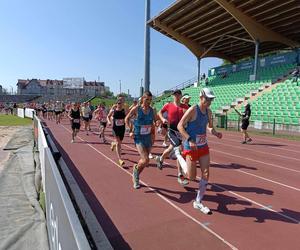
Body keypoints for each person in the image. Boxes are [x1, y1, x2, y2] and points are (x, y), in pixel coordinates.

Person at [177, 87, 222, 214]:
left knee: (206, 173)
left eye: (211, 99)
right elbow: (180, 125)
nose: (209, 102)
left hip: (203, 146)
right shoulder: (192, 110)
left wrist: (216, 133)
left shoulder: (209, 112)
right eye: (208, 99)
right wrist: (189, 140)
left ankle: (198, 201)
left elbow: (210, 127)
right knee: (191, 177)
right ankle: (178, 156)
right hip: (190, 146)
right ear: (201, 97)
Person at [155, 89, 189, 185]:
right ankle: (180, 175)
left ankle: (160, 159)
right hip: (172, 131)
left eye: (178, 94)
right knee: (179, 150)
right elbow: (159, 112)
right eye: (175, 95)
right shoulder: (168, 105)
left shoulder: (185, 107)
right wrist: (163, 119)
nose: (177, 96)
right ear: (173, 96)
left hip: (181, 132)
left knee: (171, 149)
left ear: (181, 96)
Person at [125, 91, 157, 189]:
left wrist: (160, 123)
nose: (149, 102)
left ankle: (136, 173)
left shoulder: (152, 110)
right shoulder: (136, 109)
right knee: (145, 159)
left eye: (150, 100)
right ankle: (136, 173)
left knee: (146, 162)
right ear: (142, 98)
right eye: (147, 99)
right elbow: (127, 119)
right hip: (138, 137)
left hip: (148, 137)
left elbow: (155, 121)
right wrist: (130, 130)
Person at [107, 99, 126, 167]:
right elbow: (108, 116)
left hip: (122, 128)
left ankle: (113, 143)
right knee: (118, 143)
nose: (120, 104)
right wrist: (109, 121)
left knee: (119, 142)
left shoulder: (124, 111)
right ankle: (120, 159)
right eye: (118, 103)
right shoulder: (113, 110)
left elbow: (128, 117)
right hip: (115, 129)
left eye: (121, 103)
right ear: (116, 104)